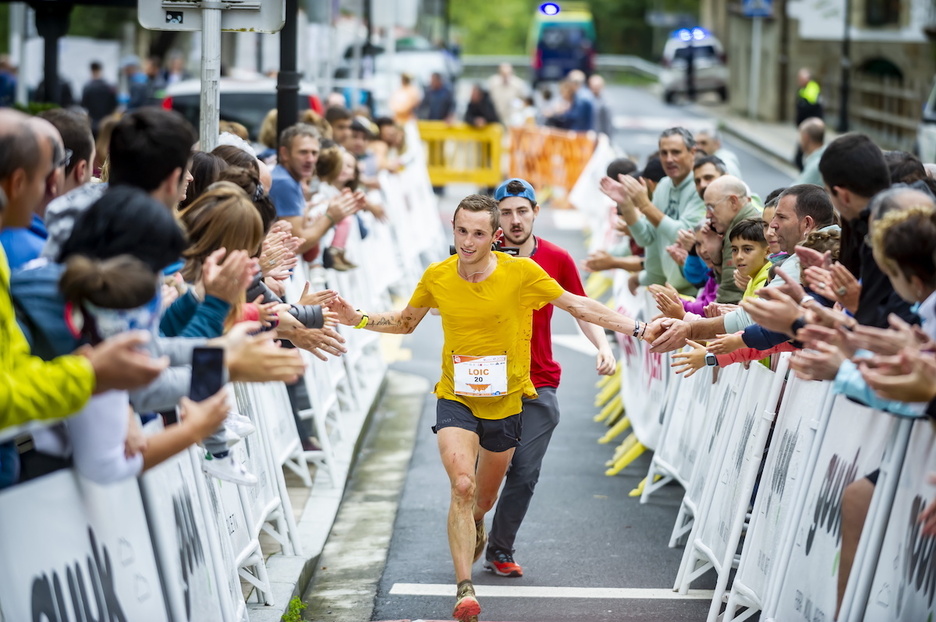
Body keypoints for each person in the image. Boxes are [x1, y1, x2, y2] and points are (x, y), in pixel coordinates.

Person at [328, 194, 646, 622]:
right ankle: (465, 590)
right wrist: (357, 318)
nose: (468, 242)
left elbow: (577, 304)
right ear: (454, 229)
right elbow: (406, 322)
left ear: (495, 237)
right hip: (455, 397)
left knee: (483, 498)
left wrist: (640, 328)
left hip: (506, 403)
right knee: (462, 485)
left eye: (478, 234)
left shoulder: (522, 273)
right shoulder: (438, 276)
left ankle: (478, 521)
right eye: (461, 231)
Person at [0, 108, 166, 464]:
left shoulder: (7, 249)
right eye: (44, 175)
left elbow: (14, 364)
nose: (51, 188)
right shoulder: (27, 257)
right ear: (16, 184)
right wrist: (89, 373)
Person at [485, 179, 616, 578]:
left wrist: (604, 345)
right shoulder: (481, 256)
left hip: (539, 381)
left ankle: (500, 549)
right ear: (496, 218)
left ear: (535, 213)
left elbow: (582, 309)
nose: (514, 220)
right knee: (478, 480)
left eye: (521, 211)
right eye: (505, 212)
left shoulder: (557, 259)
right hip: (486, 381)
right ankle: (470, 529)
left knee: (524, 471)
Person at [599, 127, 706, 294]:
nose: (669, 159)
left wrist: (645, 206)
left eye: (676, 152)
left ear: (692, 152)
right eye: (664, 153)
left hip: (696, 292)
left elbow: (682, 234)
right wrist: (626, 205)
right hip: (671, 289)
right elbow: (647, 237)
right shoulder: (664, 185)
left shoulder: (701, 187)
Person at [268, 123, 359, 256]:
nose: (310, 159)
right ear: (285, 153)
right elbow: (297, 243)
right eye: (303, 152)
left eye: (314, 153)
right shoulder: (284, 182)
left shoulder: (291, 178)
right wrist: (331, 216)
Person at [703, 175, 763, 303]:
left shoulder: (744, 228)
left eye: (711, 207)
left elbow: (730, 296)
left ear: (733, 202)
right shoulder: (739, 225)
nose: (708, 215)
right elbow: (730, 284)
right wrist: (716, 257)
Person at [794, 68, 823, 170]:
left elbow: (809, 108)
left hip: (810, 129)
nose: (799, 81)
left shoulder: (812, 88)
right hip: (805, 127)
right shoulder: (803, 88)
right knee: (801, 157)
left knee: (800, 157)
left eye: (801, 79)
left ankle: (807, 177)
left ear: (807, 79)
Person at [80, 61, 118, 136]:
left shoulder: (88, 87)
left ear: (91, 71)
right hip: (106, 123)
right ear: (100, 70)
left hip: (92, 122)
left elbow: (83, 105)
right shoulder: (110, 87)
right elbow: (114, 105)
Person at [486, 63, 527, 128]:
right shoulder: (493, 83)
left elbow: (524, 101)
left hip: (512, 117)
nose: (505, 76)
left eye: (508, 73)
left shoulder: (518, 84)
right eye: (503, 73)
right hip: (496, 116)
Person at [794, 117, 826, 186]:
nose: (799, 141)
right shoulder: (822, 156)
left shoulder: (816, 164)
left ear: (806, 137)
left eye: (800, 136)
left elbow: (797, 190)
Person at [588, 74, 613, 138]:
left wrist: (608, 137)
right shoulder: (585, 99)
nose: (595, 89)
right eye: (593, 87)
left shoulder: (606, 102)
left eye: (597, 87)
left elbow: (608, 123)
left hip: (600, 136)